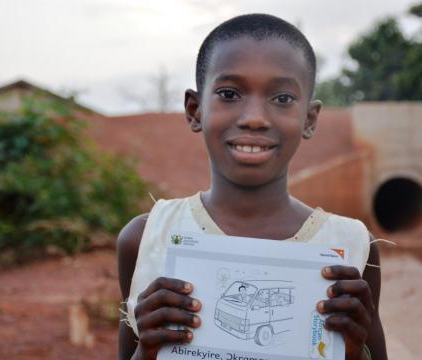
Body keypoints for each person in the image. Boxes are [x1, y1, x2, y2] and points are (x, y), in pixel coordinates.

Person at [117, 14, 387, 360]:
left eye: (283, 98)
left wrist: (351, 351)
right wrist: (149, 349)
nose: (255, 117)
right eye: (229, 93)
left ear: (309, 119)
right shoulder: (146, 238)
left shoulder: (351, 247)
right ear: (195, 110)